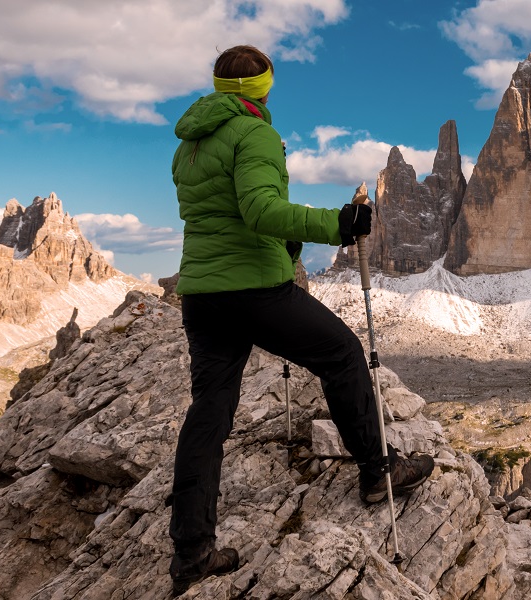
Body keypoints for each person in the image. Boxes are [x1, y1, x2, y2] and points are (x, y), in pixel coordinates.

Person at [165, 44, 434, 595]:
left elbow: (218, 212)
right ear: (264, 87)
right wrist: (338, 223)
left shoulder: (189, 145)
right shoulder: (255, 133)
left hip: (203, 294)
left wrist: (281, 232)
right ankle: (377, 470)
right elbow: (258, 209)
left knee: (210, 411)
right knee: (341, 354)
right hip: (254, 289)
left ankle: (192, 553)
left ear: (219, 87)